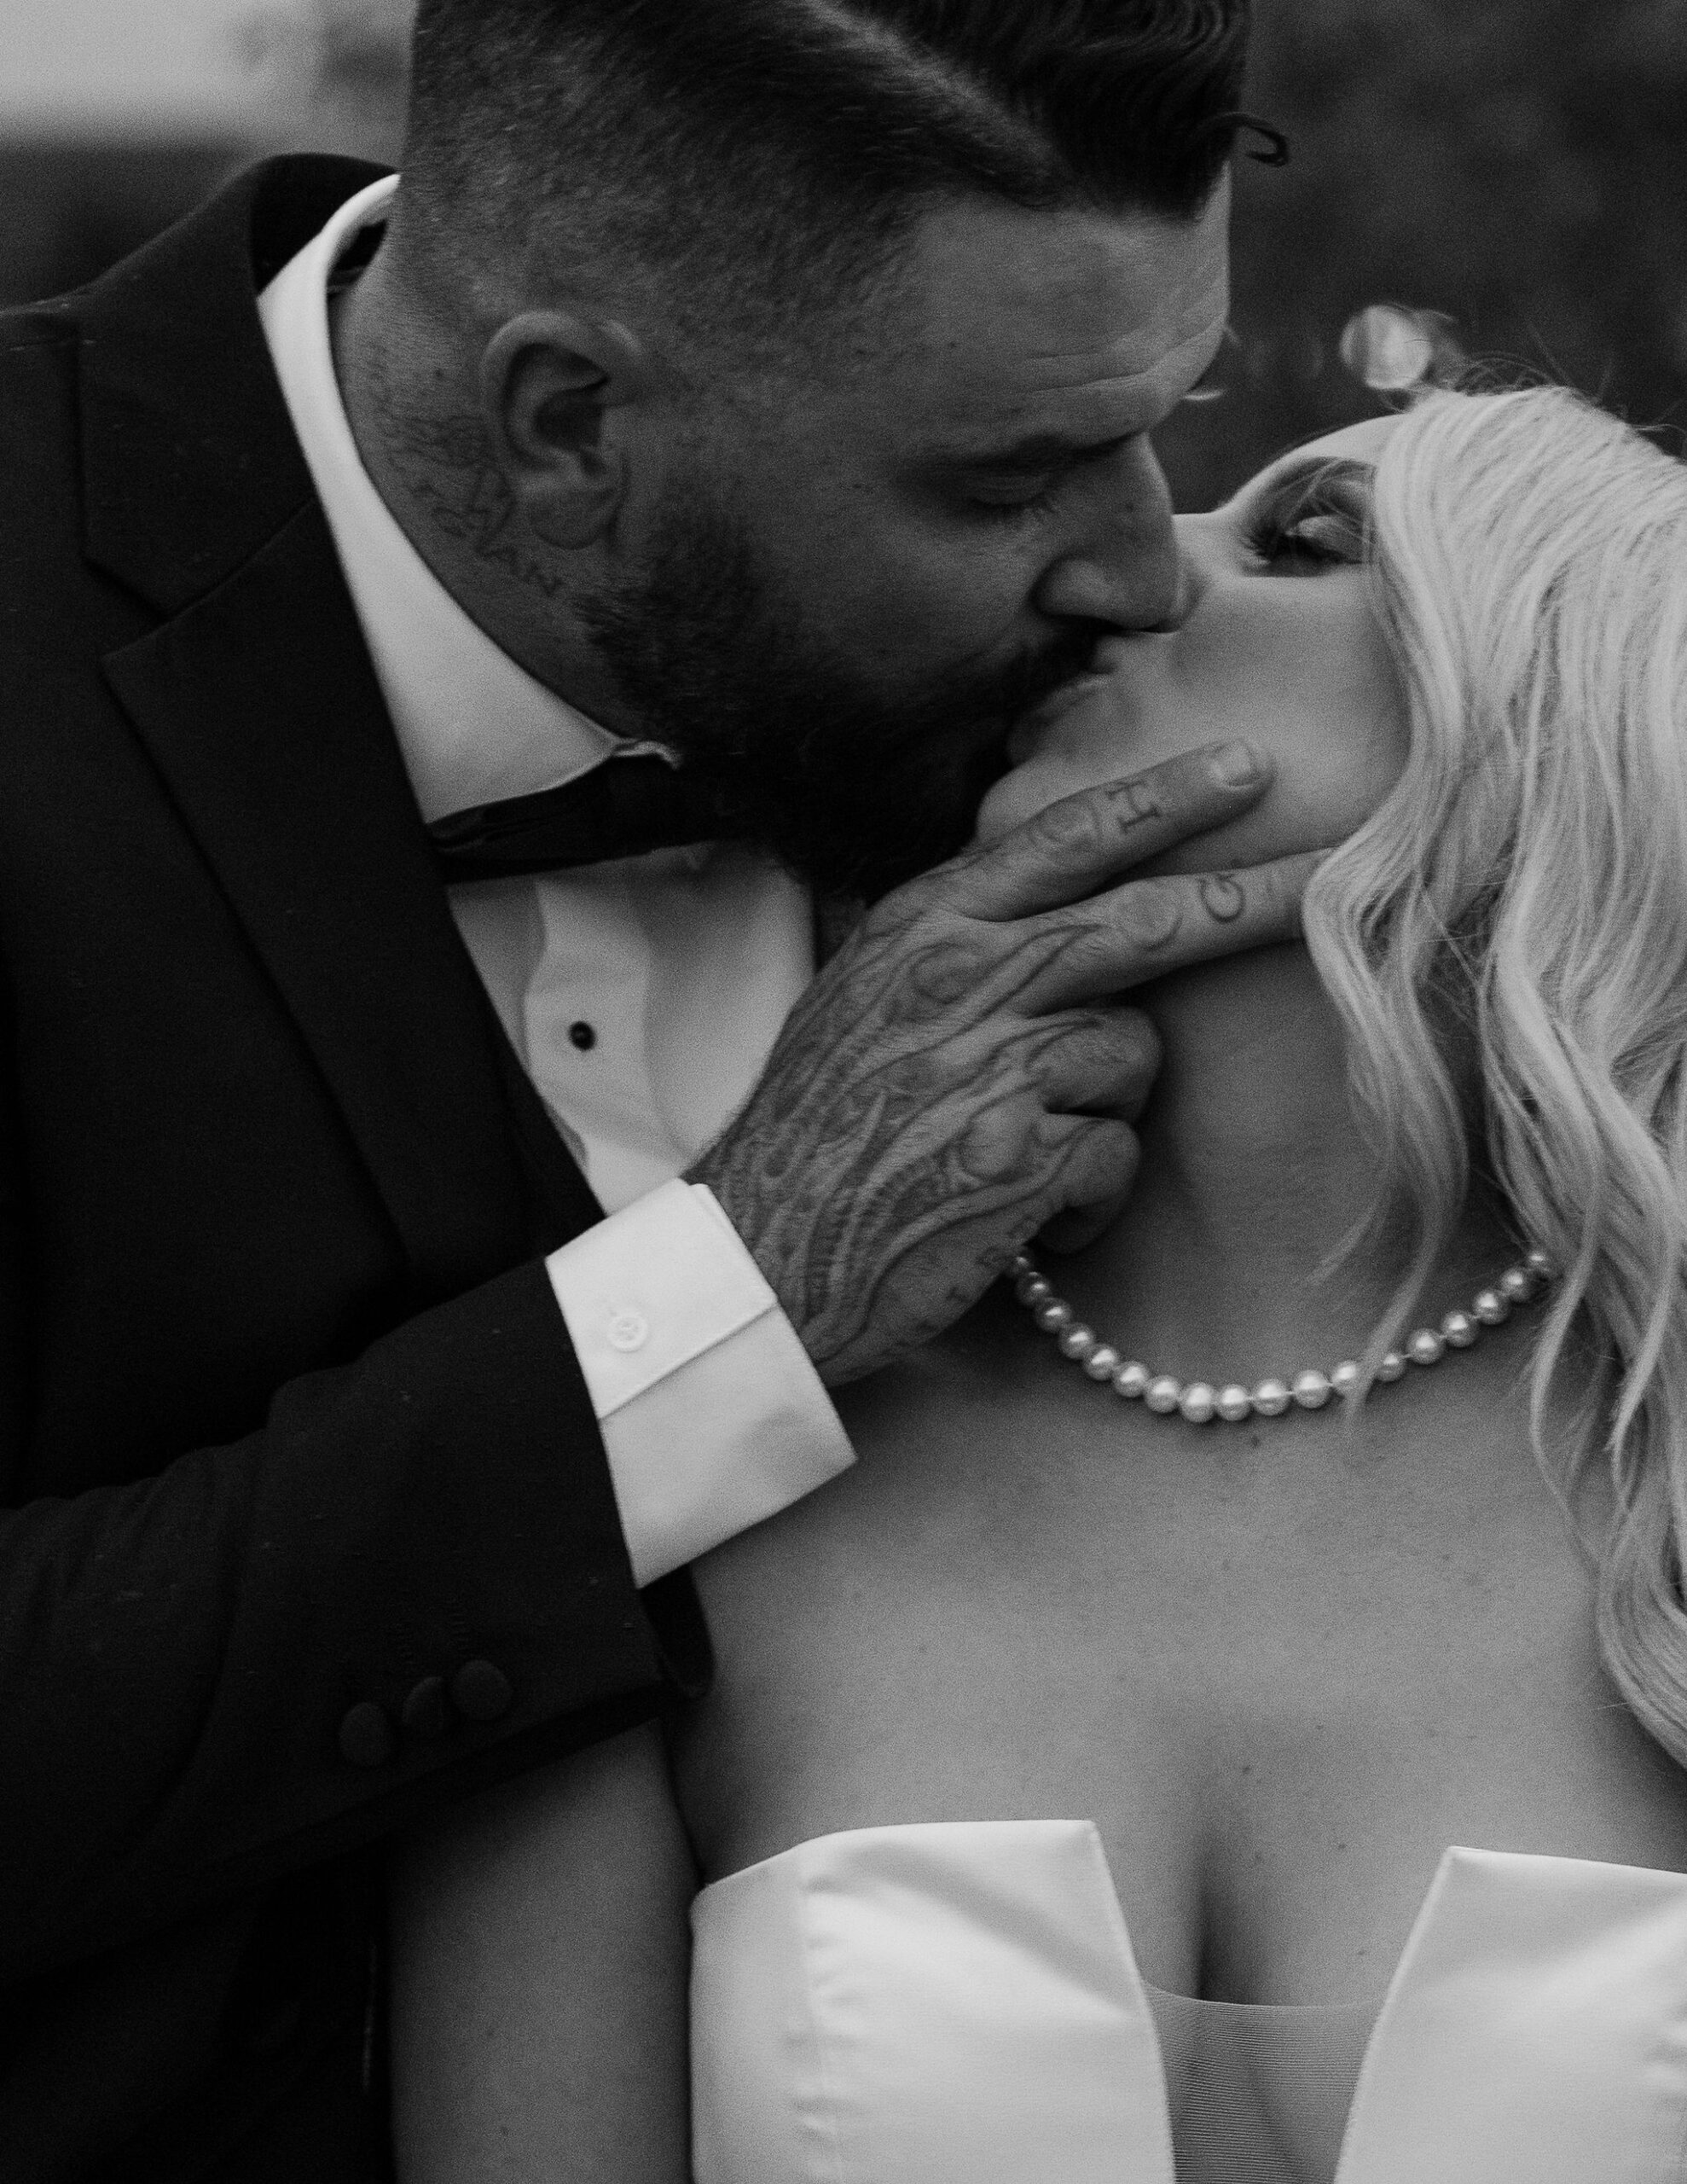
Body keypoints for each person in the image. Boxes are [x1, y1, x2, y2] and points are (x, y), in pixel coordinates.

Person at [0, 4, 1320, 2180]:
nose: (1143, 574)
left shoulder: (1099, 779)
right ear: (565, 424)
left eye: (1160, 422)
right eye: (1003, 479)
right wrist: (731, 1305)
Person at [388, 384, 1687, 2184]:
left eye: (1303, 543)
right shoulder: (708, 1458)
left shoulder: (1664, 1501)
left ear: (1551, 721)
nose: (1135, 575)